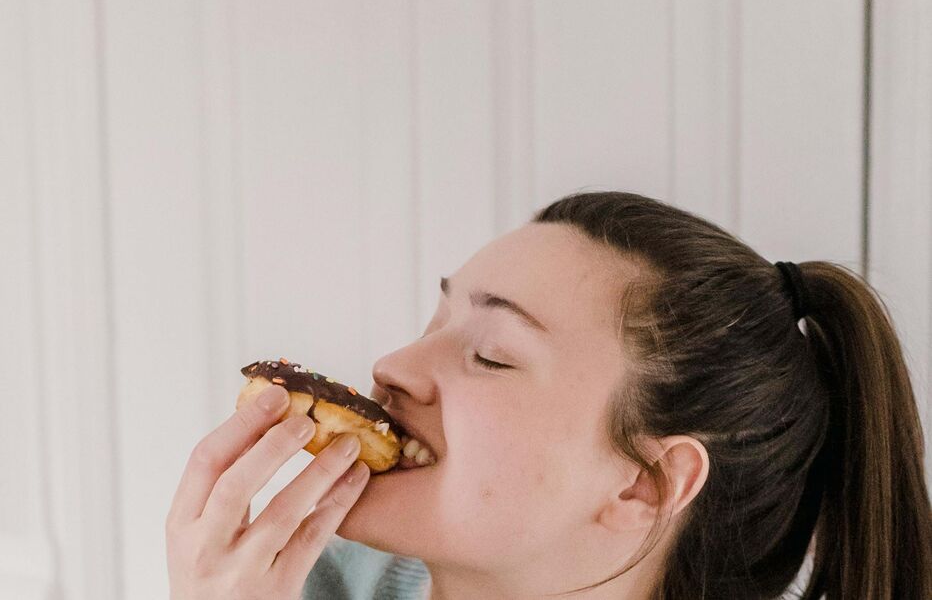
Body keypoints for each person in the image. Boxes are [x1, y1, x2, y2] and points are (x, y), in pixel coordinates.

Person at [166, 190, 932, 599]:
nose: (393, 364)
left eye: (491, 355)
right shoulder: (304, 587)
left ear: (645, 482)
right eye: (436, 318)